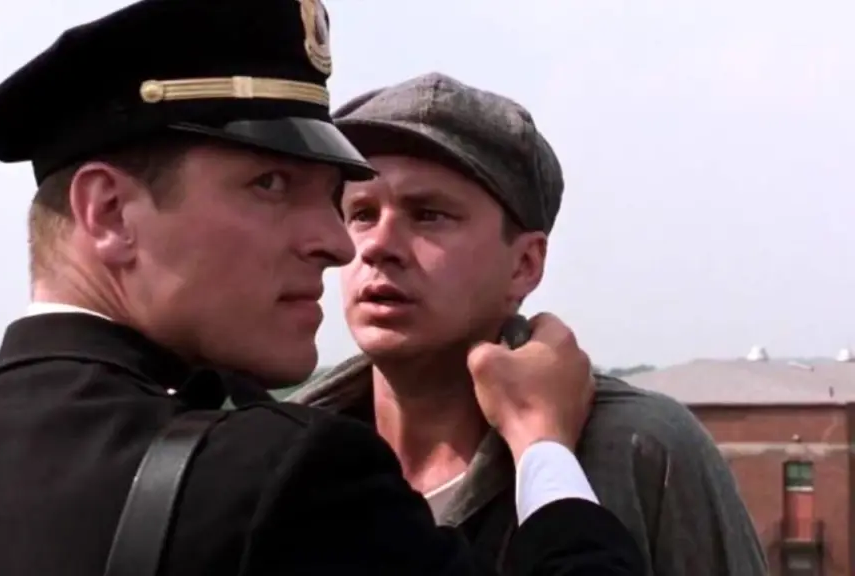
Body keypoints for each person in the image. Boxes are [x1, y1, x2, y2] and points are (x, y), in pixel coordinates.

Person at [0, 2, 645, 576]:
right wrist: (543, 448)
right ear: (108, 212)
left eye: (331, 199)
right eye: (270, 185)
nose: (337, 242)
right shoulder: (287, 480)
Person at [290, 72, 769, 575]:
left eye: (428, 214)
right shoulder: (290, 460)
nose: (378, 246)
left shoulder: (637, 452)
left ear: (524, 264)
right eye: (361, 214)